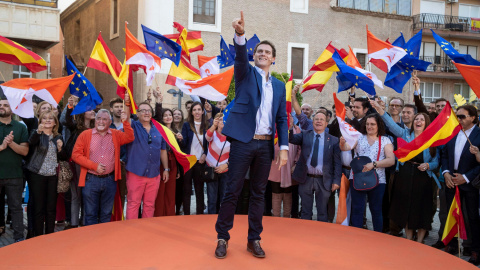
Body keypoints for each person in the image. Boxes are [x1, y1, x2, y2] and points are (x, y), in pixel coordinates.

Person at [214, 11, 288, 259]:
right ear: (254, 56)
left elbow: (282, 119)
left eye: (267, 52)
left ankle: (254, 239)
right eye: (259, 52)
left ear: (274, 59)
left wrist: (284, 148)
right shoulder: (245, 74)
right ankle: (222, 237)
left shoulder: (279, 86)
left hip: (266, 146)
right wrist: (240, 34)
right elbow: (239, 56)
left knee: (259, 194)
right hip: (244, 143)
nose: (263, 54)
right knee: (232, 191)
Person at [374, 100, 439, 243]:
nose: (418, 121)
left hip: (423, 179)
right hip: (405, 176)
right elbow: (390, 123)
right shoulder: (404, 133)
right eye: (417, 119)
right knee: (407, 208)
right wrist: (379, 109)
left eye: (421, 119)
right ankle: (409, 239)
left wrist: (428, 165)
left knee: (422, 209)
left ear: (426, 123)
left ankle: (420, 240)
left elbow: (436, 162)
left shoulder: (431, 140)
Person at [71, 109, 134, 225]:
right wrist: (94, 166)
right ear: (95, 120)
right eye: (98, 118)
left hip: (110, 180)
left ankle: (103, 241)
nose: (101, 121)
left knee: (106, 213)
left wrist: (125, 122)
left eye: (104, 119)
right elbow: (75, 155)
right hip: (90, 179)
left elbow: (130, 137)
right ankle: (91, 240)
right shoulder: (85, 135)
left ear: (110, 122)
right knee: (90, 213)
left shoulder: (116, 134)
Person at [340, 113, 395, 232]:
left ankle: (377, 237)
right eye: (367, 124)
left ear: (378, 125)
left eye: (372, 124)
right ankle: (357, 237)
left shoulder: (385, 140)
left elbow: (391, 160)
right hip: (357, 178)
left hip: (378, 180)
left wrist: (374, 164)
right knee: (357, 208)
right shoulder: (358, 137)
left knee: (376, 209)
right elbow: (345, 148)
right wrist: (342, 143)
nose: (369, 126)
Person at [441, 105, 480, 265]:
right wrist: (446, 173)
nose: (459, 119)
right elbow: (444, 154)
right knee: (451, 214)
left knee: (472, 217)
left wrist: (466, 177)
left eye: (462, 116)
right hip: (451, 180)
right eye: (457, 116)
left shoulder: (478, 134)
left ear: (472, 117)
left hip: (469, 183)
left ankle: (475, 250)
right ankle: (451, 245)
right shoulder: (453, 131)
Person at [289, 111, 341, 221]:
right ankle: (305, 235)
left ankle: (320, 236)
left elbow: (337, 163)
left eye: (322, 119)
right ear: (312, 122)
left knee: (322, 212)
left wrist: (336, 181)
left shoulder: (334, 140)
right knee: (305, 211)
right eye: (316, 119)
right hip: (306, 178)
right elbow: (291, 139)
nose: (319, 121)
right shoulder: (304, 134)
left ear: (326, 123)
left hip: (324, 180)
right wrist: (289, 128)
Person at [124, 96, 169, 219]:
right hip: (135, 173)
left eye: (148, 110)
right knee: (133, 203)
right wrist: (127, 103)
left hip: (154, 174)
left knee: (149, 205)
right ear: (137, 113)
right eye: (143, 110)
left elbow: (163, 151)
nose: (146, 113)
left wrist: (166, 169)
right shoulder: (132, 126)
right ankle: (131, 231)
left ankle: (146, 231)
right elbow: (126, 119)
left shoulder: (159, 130)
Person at [26, 111, 67, 236]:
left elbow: (64, 157)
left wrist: (60, 149)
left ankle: (50, 235)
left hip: (52, 176)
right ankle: (38, 236)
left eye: (51, 118)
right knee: (38, 208)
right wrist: (38, 131)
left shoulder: (58, 137)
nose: (48, 120)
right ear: (40, 121)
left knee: (51, 208)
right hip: (37, 175)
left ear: (55, 123)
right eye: (44, 118)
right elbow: (31, 143)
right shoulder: (36, 134)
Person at [0, 99, 29, 242]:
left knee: (16, 208)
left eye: (6, 105)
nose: (2, 107)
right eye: (0, 105)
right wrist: (2, 146)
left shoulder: (20, 127)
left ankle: (19, 239)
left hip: (15, 175)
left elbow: (24, 151)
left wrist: (11, 144)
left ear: (13, 109)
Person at [180, 101, 208, 215]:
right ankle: (187, 214)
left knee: (199, 189)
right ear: (191, 112)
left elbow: (210, 144)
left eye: (199, 109)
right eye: (194, 110)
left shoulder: (207, 125)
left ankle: (199, 214)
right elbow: (184, 144)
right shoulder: (186, 125)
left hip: (200, 162)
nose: (197, 112)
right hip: (189, 161)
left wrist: (205, 154)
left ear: (202, 111)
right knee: (186, 189)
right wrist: (181, 139)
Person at [267, 119, 300, 218]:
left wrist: (296, 163)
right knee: (276, 192)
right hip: (276, 165)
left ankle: (286, 217)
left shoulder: (297, 130)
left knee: (288, 193)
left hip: (291, 166)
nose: (288, 119)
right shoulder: (274, 128)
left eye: (290, 116)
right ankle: (276, 216)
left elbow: (300, 149)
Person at [153, 108, 180, 217]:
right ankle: (159, 215)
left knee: (170, 191)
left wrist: (180, 141)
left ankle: (169, 215)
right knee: (160, 191)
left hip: (173, 163)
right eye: (165, 115)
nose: (168, 117)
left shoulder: (176, 132)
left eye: (170, 115)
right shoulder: (158, 130)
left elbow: (179, 153)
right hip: (160, 163)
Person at [205, 114, 230, 214]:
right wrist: (213, 126)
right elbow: (207, 137)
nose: (222, 122)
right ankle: (211, 220)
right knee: (212, 199)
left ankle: (223, 220)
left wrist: (226, 165)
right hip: (212, 170)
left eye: (224, 120)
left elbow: (235, 154)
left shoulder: (232, 136)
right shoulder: (213, 133)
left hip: (225, 171)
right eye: (220, 120)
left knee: (224, 198)